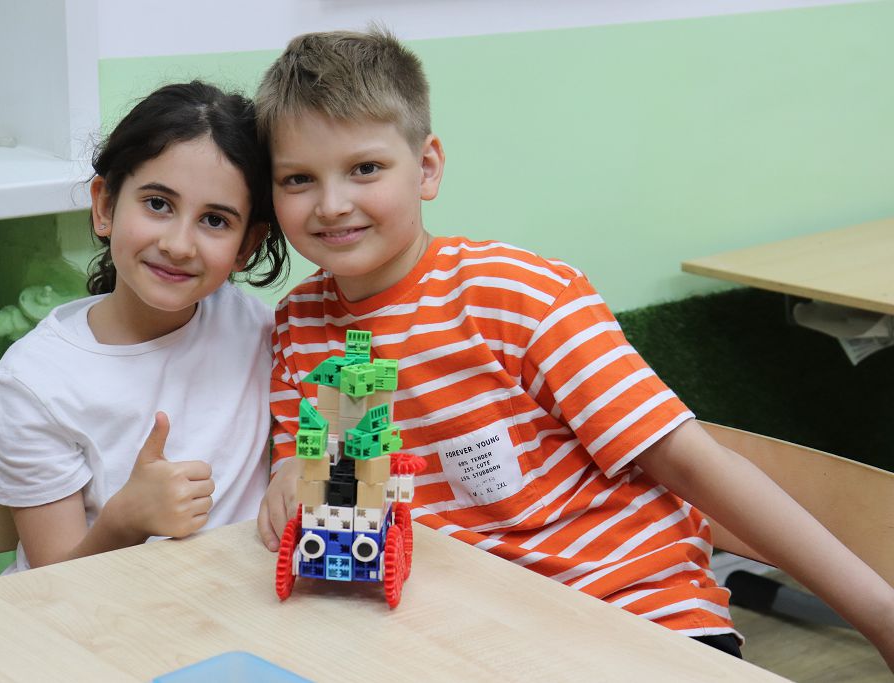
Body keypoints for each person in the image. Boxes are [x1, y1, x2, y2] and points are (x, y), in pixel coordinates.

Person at [253, 28, 894, 665]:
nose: (332, 205)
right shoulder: (298, 326)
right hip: (464, 636)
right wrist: (290, 471)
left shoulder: (518, 296)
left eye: (365, 169)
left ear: (426, 168)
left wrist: (879, 614)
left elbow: (693, 463)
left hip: (635, 613)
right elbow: (323, 481)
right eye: (298, 179)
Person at [0, 81, 289, 571]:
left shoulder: (258, 330)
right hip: (97, 613)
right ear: (105, 206)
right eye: (158, 204)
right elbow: (53, 587)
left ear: (246, 245)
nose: (178, 245)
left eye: (214, 220)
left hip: (233, 606)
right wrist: (125, 519)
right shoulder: (32, 384)